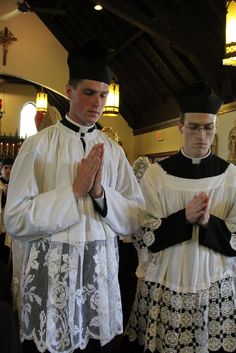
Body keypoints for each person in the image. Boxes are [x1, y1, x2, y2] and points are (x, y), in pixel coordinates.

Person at [4, 39, 145, 353]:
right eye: (89, 93)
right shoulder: (38, 146)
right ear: (69, 89)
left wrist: (99, 194)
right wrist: (74, 192)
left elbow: (135, 213)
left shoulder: (113, 150)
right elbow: (14, 219)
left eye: (103, 94)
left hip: (99, 279)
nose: (97, 103)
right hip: (52, 282)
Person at [124, 81, 236, 353]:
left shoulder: (230, 176)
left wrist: (210, 222)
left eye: (208, 127)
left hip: (212, 280)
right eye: (195, 127)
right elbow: (142, 233)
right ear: (180, 127)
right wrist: (184, 217)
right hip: (166, 279)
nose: (202, 135)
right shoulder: (156, 175)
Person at [0, 156, 14, 265]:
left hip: (11, 221)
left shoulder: (16, 183)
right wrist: (4, 195)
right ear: (1, 169)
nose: (8, 171)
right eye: (5, 168)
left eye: (10, 168)